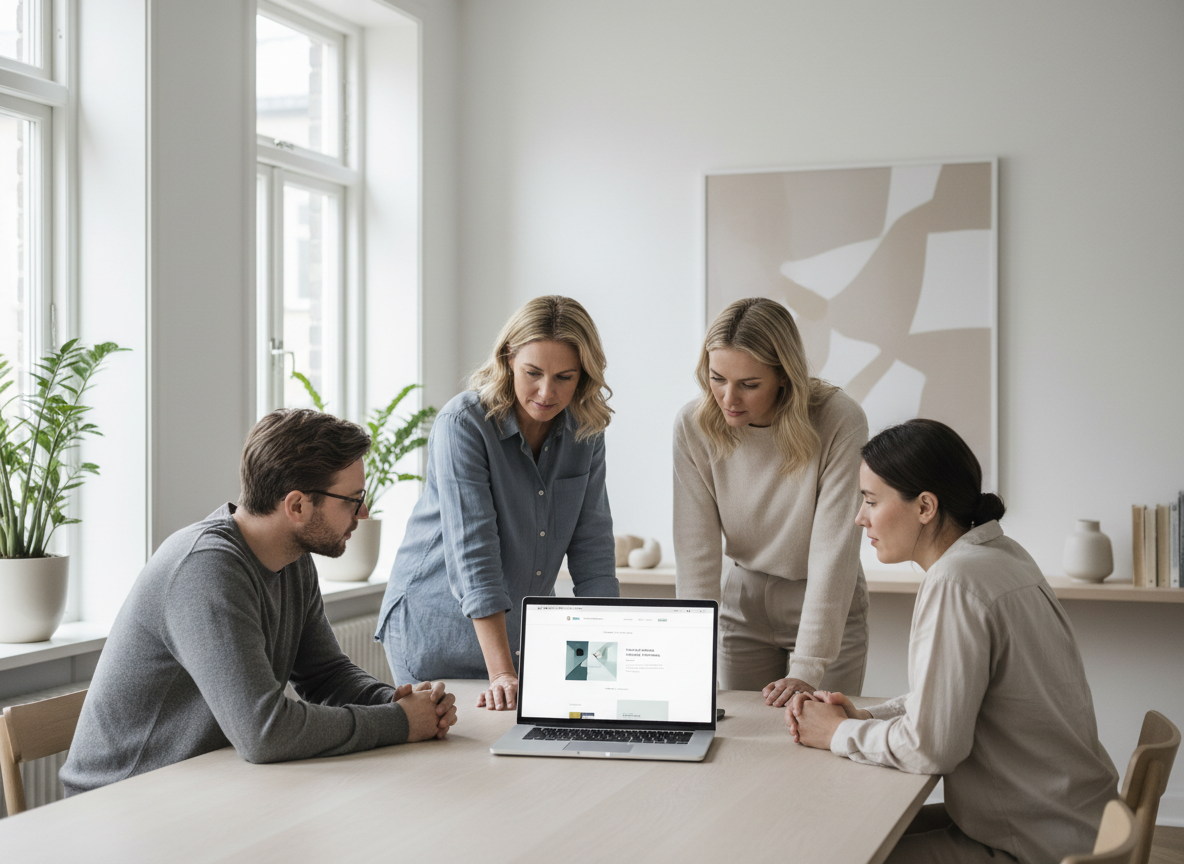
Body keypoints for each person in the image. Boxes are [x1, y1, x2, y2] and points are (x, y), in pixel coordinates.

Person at [61, 409, 457, 796]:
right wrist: (397, 723)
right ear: (297, 506)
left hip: (203, 787)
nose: (363, 513)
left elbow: (325, 675)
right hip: (119, 804)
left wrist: (400, 703)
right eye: (352, 500)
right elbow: (263, 732)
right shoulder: (205, 569)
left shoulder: (293, 558)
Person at [786, 419, 1118, 864]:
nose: (859, 517)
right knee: (852, 834)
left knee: (838, 849)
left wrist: (839, 732)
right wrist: (866, 715)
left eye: (870, 500)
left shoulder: (955, 581)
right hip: (1073, 823)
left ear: (925, 506)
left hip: (1029, 845)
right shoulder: (1003, 554)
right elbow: (951, 696)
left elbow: (933, 748)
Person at [376, 295, 618, 711]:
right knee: (453, 763)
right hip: (436, 625)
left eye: (564, 376)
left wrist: (609, 664)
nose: (547, 391)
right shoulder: (463, 424)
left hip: (520, 636)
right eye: (533, 372)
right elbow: (475, 555)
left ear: (584, 377)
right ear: (508, 359)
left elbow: (593, 551)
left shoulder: (586, 432)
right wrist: (503, 672)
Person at [674, 297, 869, 705]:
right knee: (747, 745)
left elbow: (835, 549)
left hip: (823, 598)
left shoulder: (838, 419)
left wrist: (809, 664)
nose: (728, 398)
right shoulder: (693, 426)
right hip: (743, 599)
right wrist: (688, 654)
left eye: (749, 384)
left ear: (784, 377)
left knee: (823, 742)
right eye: (717, 378)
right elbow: (697, 552)